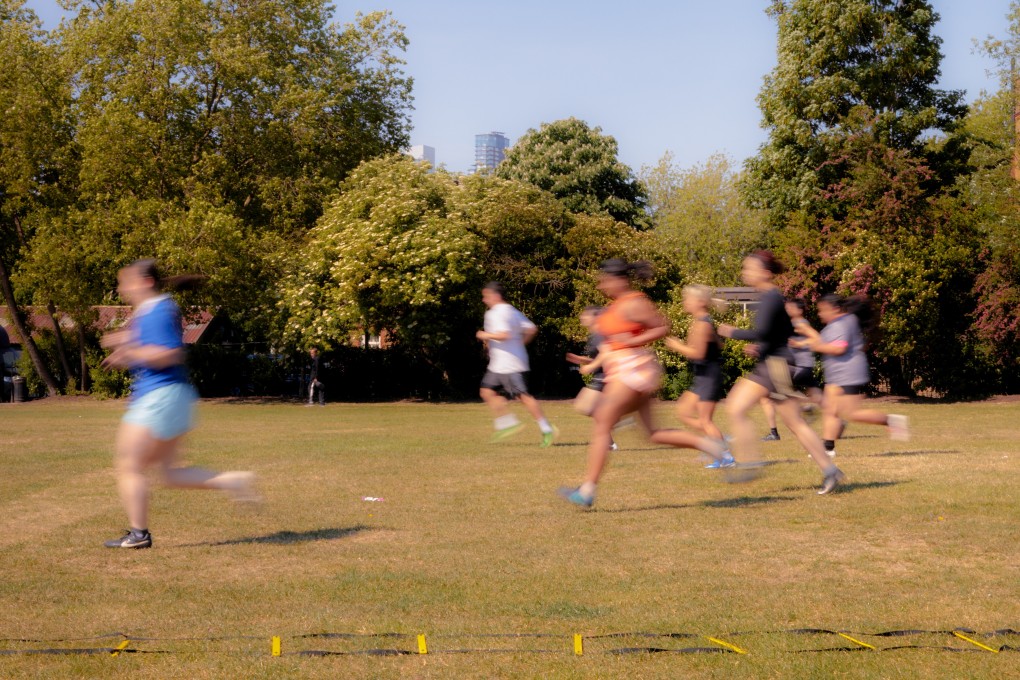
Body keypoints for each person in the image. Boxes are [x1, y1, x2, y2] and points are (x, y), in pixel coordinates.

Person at [101, 259, 257, 549]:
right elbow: (148, 346)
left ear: (145, 282)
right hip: (172, 396)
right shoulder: (153, 310)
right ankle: (231, 480)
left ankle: (139, 535)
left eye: (126, 282)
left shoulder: (157, 310)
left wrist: (130, 349)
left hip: (158, 396)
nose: (122, 289)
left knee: (128, 465)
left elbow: (169, 354)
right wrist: (124, 350)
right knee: (170, 474)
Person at [558, 259, 727, 508]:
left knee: (602, 420)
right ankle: (707, 444)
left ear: (619, 280)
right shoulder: (616, 305)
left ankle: (587, 490)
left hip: (632, 369)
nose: (602, 285)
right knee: (653, 434)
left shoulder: (634, 302)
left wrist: (630, 341)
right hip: (623, 370)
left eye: (605, 279)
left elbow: (661, 327)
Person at [717, 251, 845, 495]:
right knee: (795, 423)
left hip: (775, 367)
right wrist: (761, 348)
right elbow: (777, 335)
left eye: (749, 268)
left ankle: (751, 464)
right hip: (775, 363)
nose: (745, 272)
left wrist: (731, 332)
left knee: (735, 407)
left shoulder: (771, 298)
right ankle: (831, 471)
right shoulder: (770, 298)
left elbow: (764, 332)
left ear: (765, 273)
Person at [793, 294, 909, 456]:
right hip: (839, 374)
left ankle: (890, 420)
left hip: (846, 375)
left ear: (834, 309)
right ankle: (827, 448)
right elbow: (824, 342)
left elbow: (838, 348)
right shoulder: (844, 322)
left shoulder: (841, 324)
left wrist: (813, 343)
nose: (820, 314)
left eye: (822, 310)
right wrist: (806, 340)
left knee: (851, 414)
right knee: (830, 410)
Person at [476, 281, 557, 447]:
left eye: (486, 296)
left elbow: (504, 334)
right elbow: (532, 329)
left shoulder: (496, 313)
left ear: (496, 296)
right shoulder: (512, 311)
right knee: (486, 391)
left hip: (509, 365)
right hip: (499, 364)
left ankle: (547, 428)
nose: (484, 300)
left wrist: (485, 335)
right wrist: (521, 344)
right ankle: (508, 423)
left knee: (524, 397)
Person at [662, 284, 733, 469]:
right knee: (683, 412)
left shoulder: (703, 324)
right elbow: (720, 346)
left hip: (708, 377)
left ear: (700, 302)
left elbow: (698, 354)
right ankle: (716, 440)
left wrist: (677, 346)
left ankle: (725, 456)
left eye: (688, 299)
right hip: (703, 376)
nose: (685, 302)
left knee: (705, 421)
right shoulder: (703, 321)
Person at [760, 298, 823, 441]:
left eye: (790, 308)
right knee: (817, 396)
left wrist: (800, 344)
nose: (787, 310)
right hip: (799, 366)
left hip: (798, 367)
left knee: (771, 395)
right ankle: (835, 419)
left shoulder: (799, 324)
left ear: (799, 310)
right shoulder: (793, 324)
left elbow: (818, 338)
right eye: (786, 307)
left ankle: (775, 432)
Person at [565, 306, 619, 451]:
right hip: (602, 374)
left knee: (584, 406)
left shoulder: (599, 334)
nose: (583, 318)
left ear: (596, 318)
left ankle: (616, 422)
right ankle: (609, 441)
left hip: (605, 375)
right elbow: (599, 356)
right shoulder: (595, 335)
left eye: (586, 315)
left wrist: (590, 366)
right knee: (591, 409)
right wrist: (582, 360)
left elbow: (606, 353)